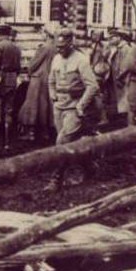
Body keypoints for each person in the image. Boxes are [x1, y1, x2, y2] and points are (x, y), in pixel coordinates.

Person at [45, 28, 100, 192]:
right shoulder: (56, 59)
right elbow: (51, 81)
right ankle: (89, 167)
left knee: (61, 142)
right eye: (57, 46)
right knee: (69, 142)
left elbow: (93, 86)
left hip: (73, 108)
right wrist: (53, 96)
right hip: (59, 107)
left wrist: (81, 105)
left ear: (71, 43)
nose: (59, 50)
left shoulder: (81, 60)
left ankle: (56, 179)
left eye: (62, 47)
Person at [17, 26, 56, 143]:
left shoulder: (43, 48)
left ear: (46, 35)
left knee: (32, 105)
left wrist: (29, 71)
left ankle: (31, 133)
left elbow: (33, 65)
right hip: (49, 79)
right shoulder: (56, 48)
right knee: (46, 106)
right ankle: (45, 133)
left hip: (38, 79)